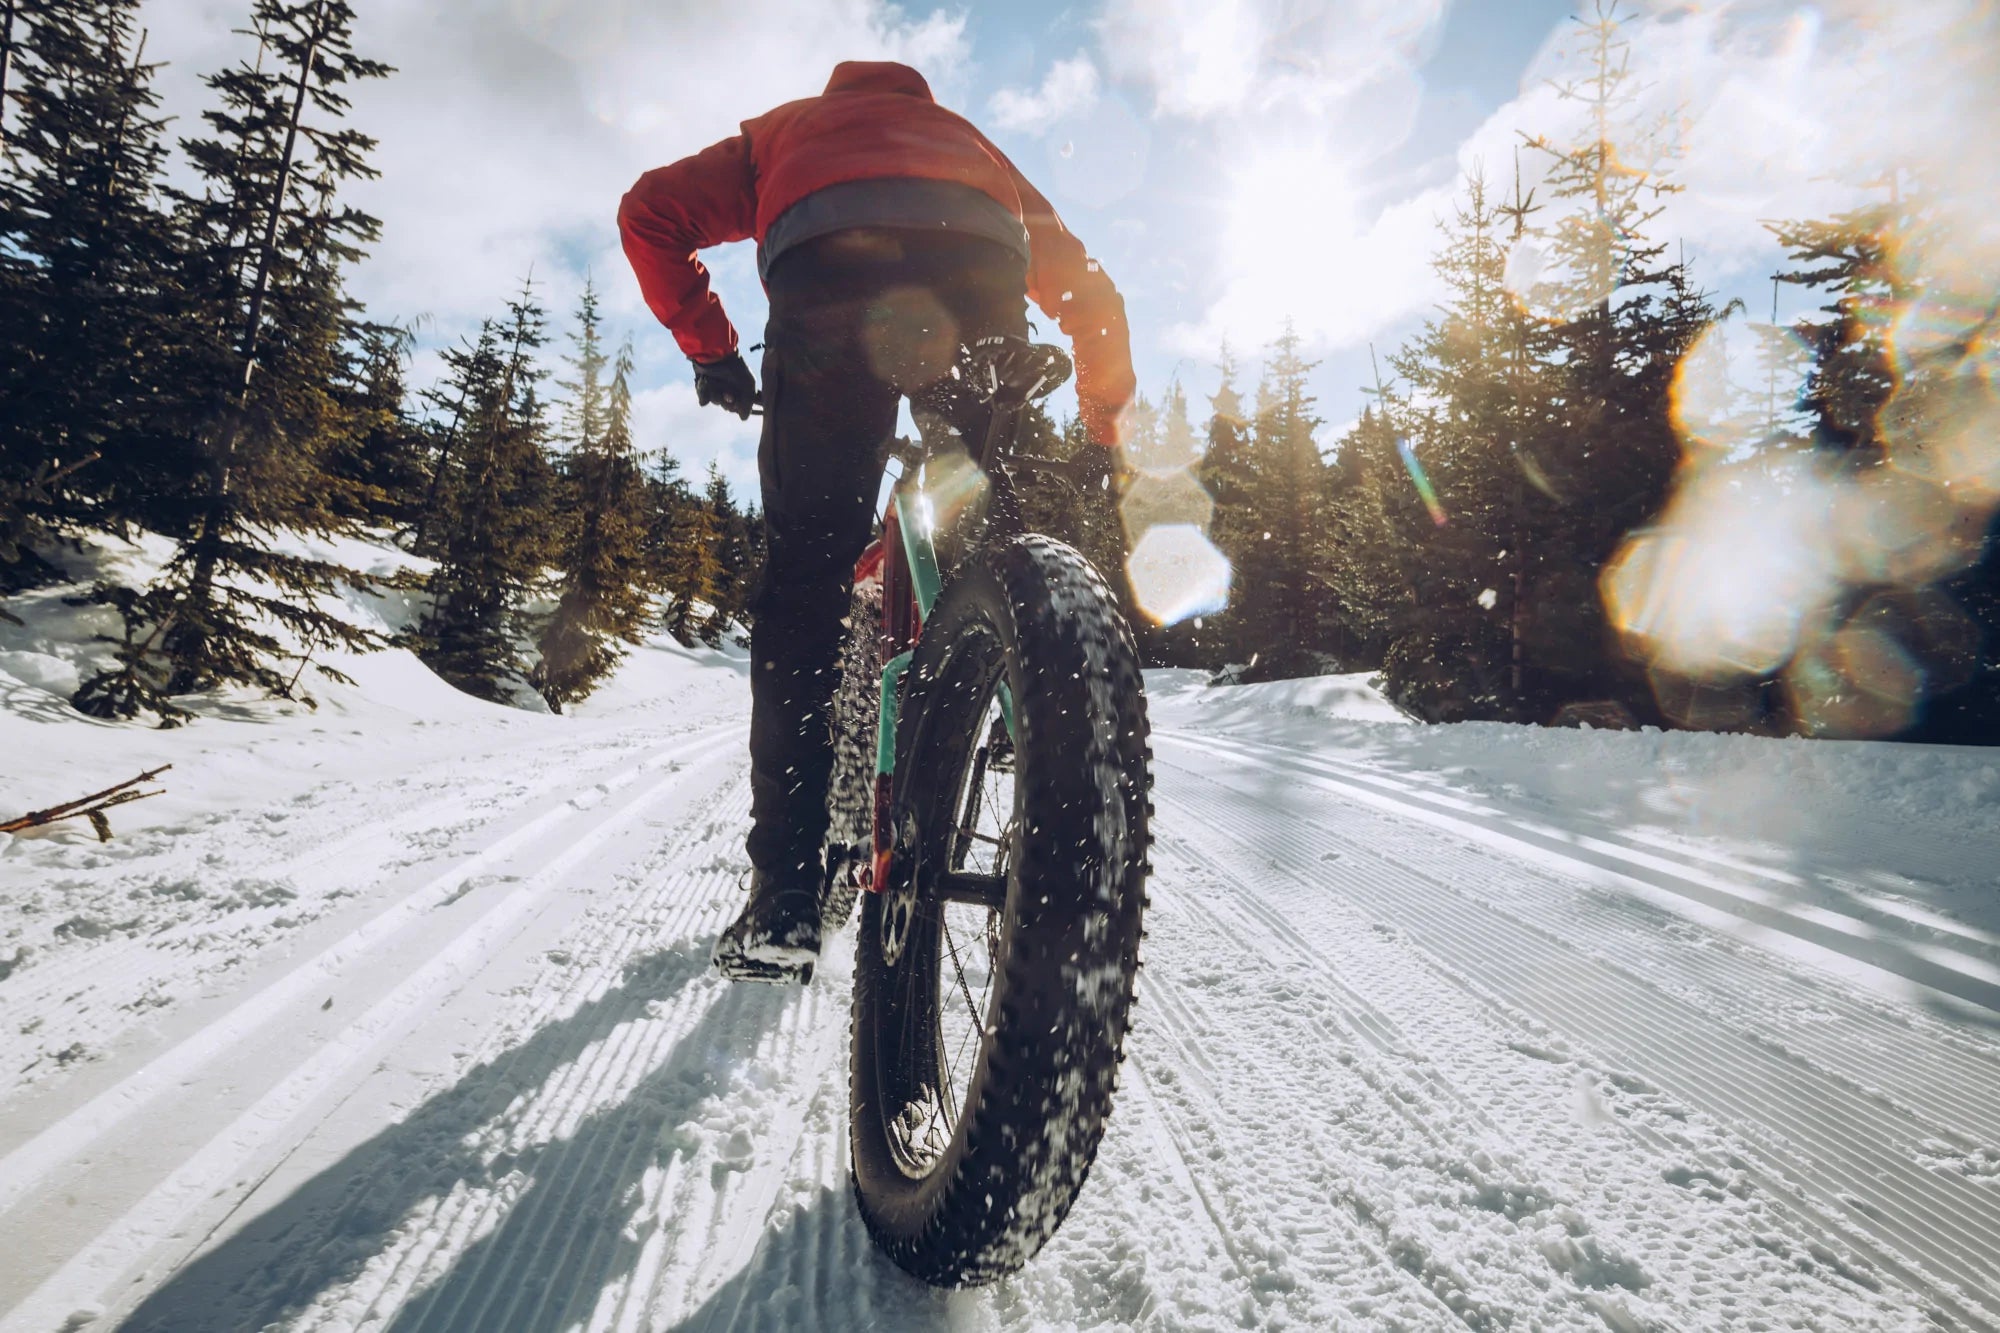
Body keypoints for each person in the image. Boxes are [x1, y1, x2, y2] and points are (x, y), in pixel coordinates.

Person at [619, 60, 1134, 983]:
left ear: (839, 93)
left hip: (829, 286)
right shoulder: (970, 144)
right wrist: (1103, 420)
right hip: (978, 275)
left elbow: (649, 212)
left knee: (807, 578)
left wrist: (713, 350)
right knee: (978, 507)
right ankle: (1014, 685)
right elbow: (1090, 290)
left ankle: (784, 894)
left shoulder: (781, 134)